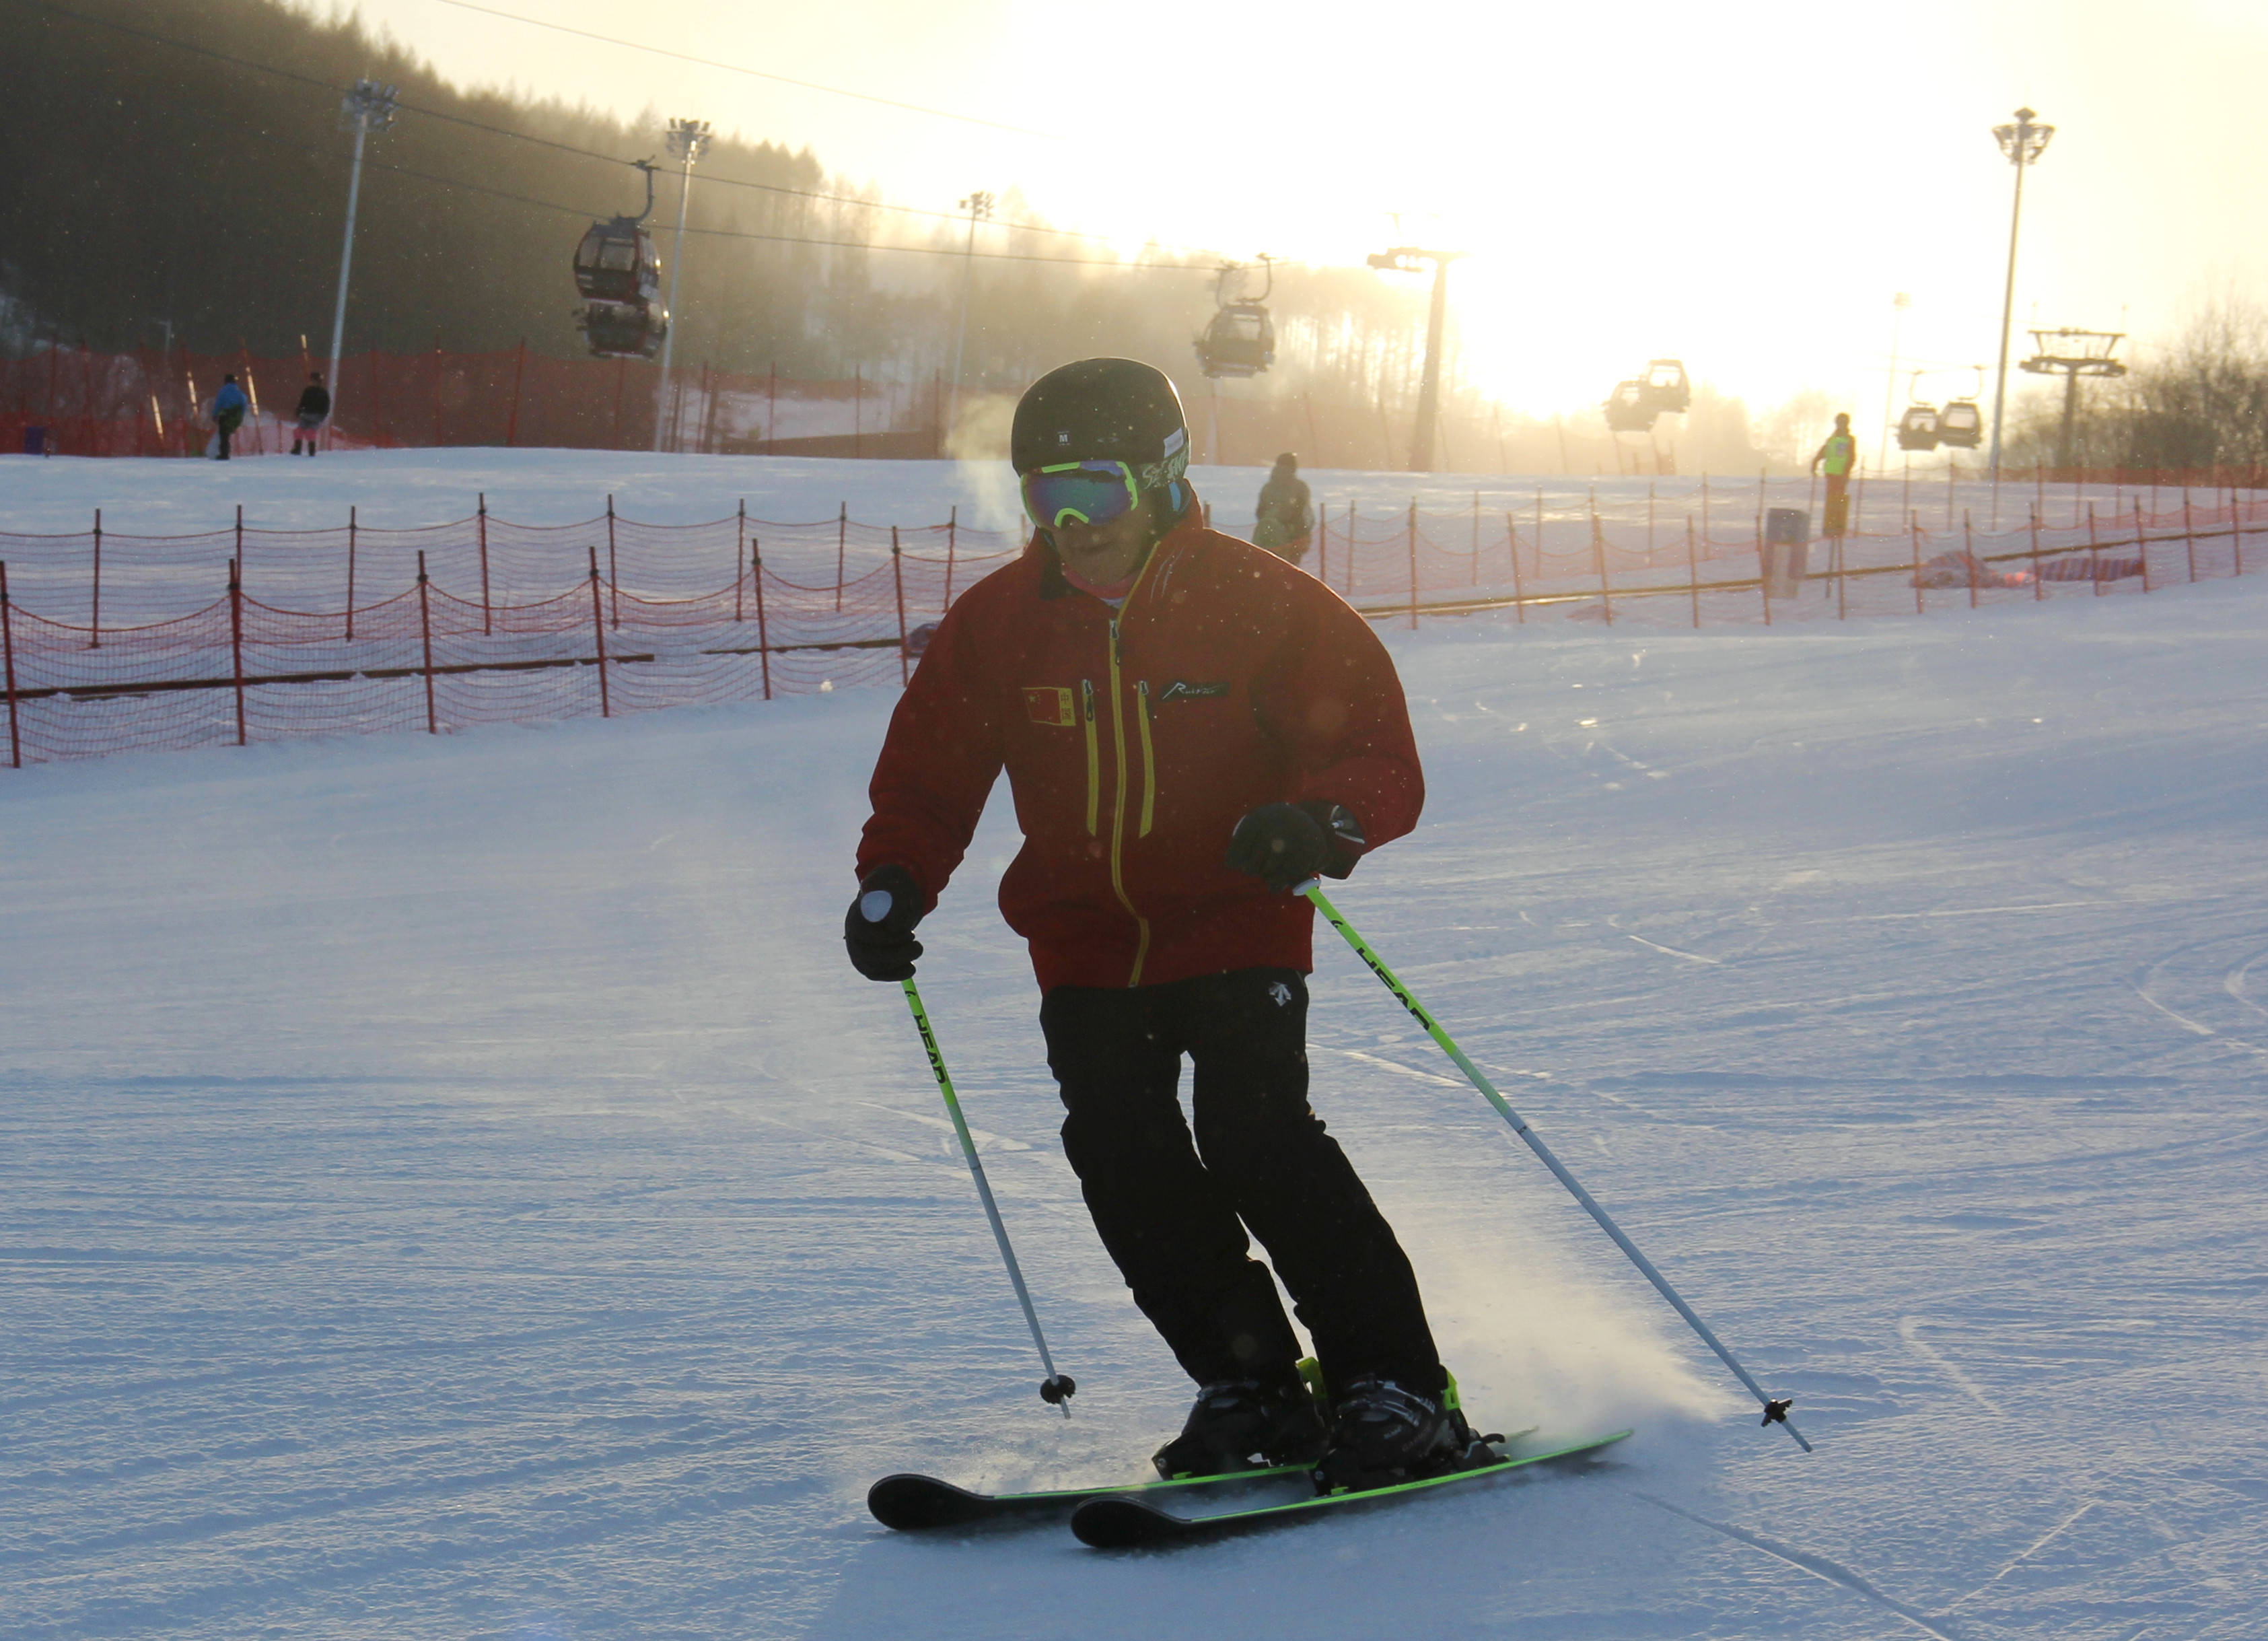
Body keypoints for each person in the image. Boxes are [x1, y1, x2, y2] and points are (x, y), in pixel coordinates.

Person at [845, 357, 1479, 1494]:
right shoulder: (1001, 625)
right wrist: (895, 875)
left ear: (1161, 478)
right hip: (1087, 942)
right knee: (1123, 1151)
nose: (1071, 523)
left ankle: (1397, 1387)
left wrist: (1322, 822)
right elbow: (931, 773)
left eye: (1093, 490)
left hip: (1238, 922)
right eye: (1044, 496)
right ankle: (1253, 1384)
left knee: (1256, 1138)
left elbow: (1380, 750)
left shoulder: (1262, 603)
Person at [1252, 451, 1315, 564]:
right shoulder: (1300, 487)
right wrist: (1302, 537)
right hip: (1290, 541)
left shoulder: (1267, 488)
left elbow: (1260, 512)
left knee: (1264, 572)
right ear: (1293, 467)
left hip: (1263, 537)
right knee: (1287, 576)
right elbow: (1304, 514)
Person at [1810, 412, 1857, 540]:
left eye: (1843, 422)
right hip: (1831, 474)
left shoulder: (1849, 439)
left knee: (1838, 501)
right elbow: (1824, 451)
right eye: (1839, 422)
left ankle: (1838, 528)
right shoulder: (1832, 439)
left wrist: (1846, 473)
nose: (1840, 425)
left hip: (1841, 475)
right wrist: (1815, 462)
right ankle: (1829, 528)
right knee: (1831, 500)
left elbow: (1852, 458)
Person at [210, 374, 249, 461]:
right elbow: (243, 404)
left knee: (223, 435)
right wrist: (240, 417)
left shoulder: (223, 391)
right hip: (234, 416)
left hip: (225, 415)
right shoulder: (239, 393)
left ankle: (224, 454)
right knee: (227, 434)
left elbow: (218, 404)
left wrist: (215, 414)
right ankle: (226, 452)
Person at [291, 372, 330, 456]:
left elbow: (326, 405)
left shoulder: (322, 392)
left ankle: (311, 449)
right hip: (306, 414)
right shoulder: (308, 391)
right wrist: (299, 410)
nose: (312, 383)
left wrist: (323, 414)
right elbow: (303, 402)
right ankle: (298, 448)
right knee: (299, 431)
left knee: (310, 432)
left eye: (313, 381)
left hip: (315, 416)